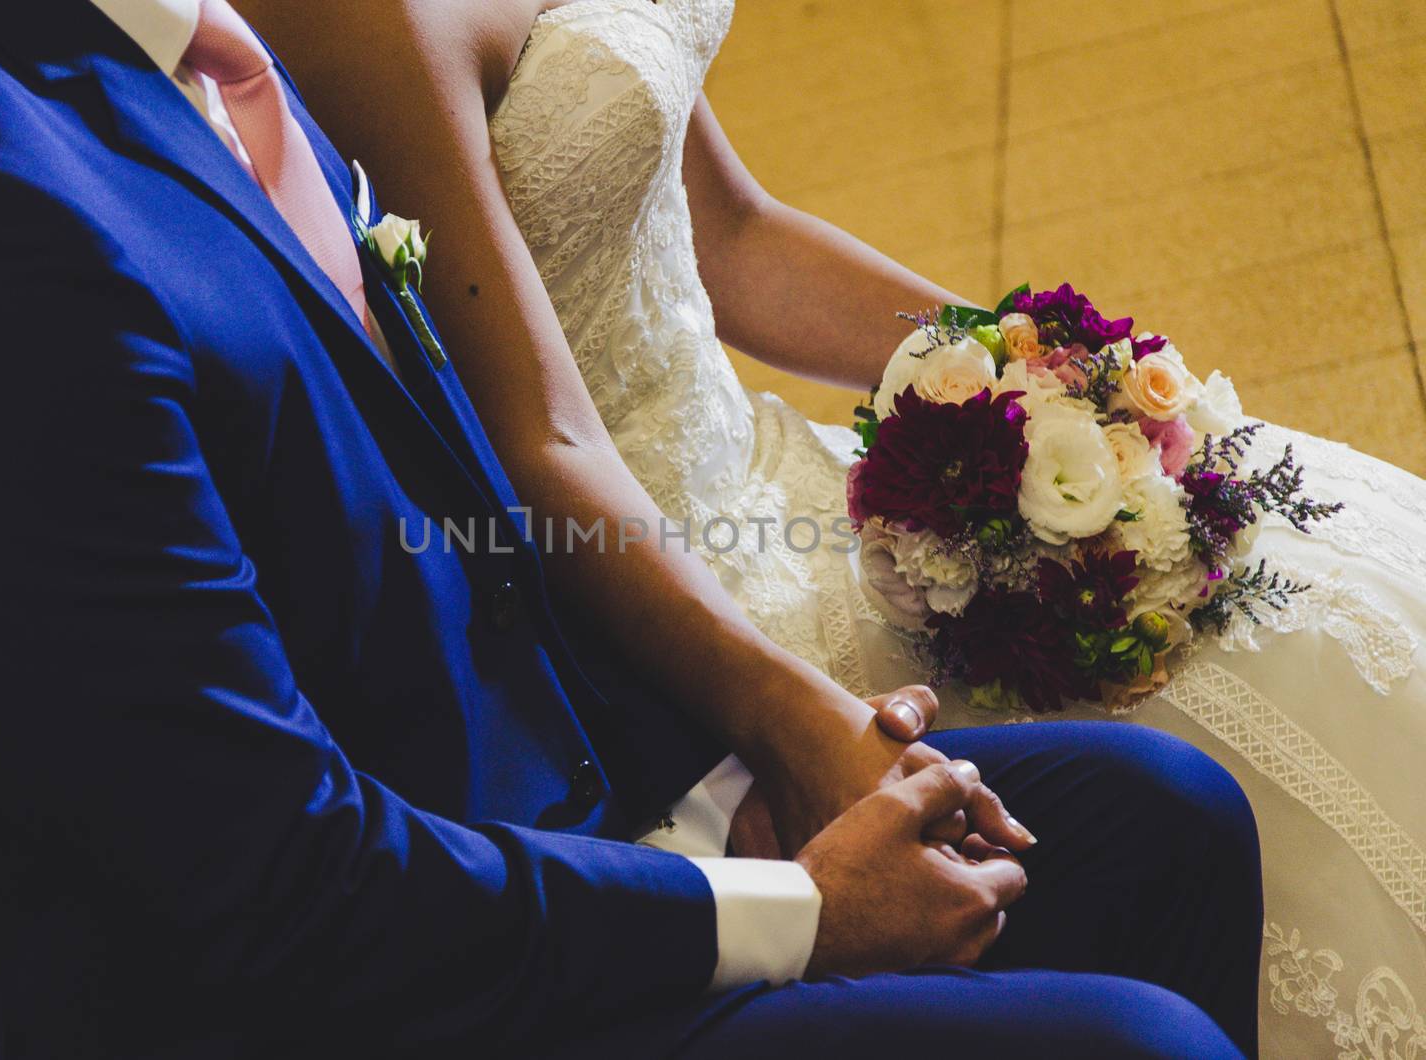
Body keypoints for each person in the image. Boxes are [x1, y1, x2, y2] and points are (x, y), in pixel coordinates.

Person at [0, 0, 1260, 1055]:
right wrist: (785, 909)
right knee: (1142, 1047)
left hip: (539, 816)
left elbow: (428, 531)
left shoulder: (196, 49)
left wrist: (741, 758)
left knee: (1165, 820)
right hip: (367, 991)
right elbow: (264, 885)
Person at [237, 0, 1426, 1053]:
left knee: (1304, 574)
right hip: (654, 579)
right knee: (1217, 705)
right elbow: (538, 446)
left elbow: (737, 235)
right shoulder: (356, 19)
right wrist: (800, 721)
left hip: (775, 465)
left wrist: (1015, 373)